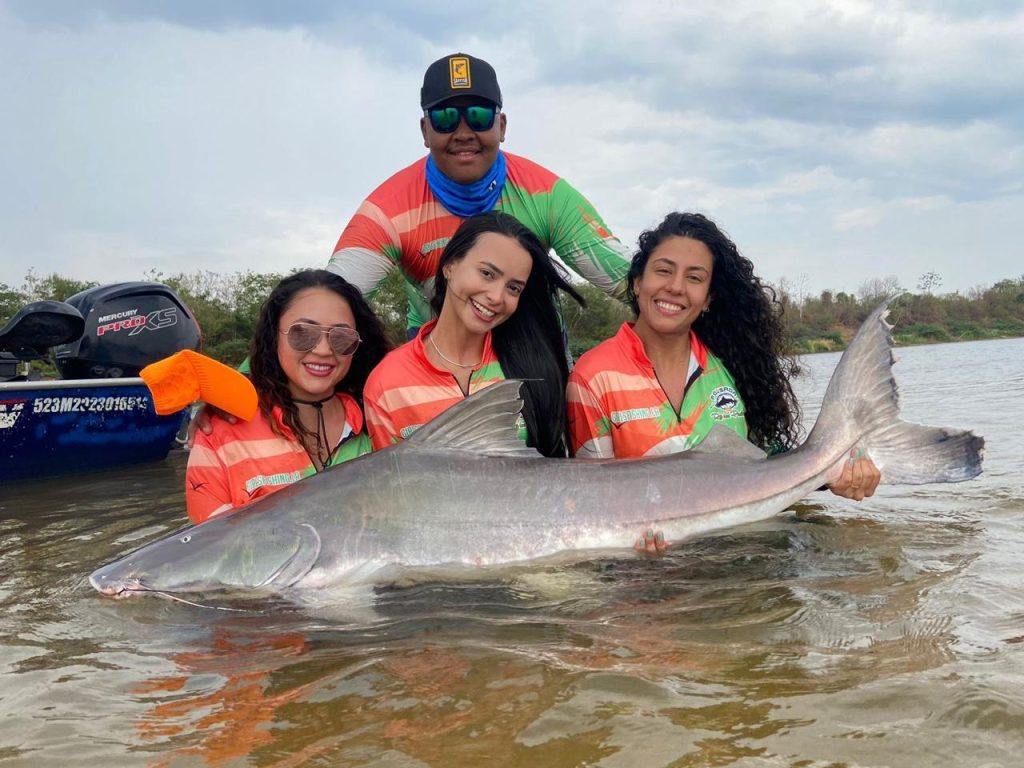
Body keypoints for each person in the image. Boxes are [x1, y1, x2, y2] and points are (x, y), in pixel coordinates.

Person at [566, 212, 881, 506]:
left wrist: (834, 474)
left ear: (708, 299)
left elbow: (770, 461)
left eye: (694, 278)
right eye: (663, 270)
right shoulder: (593, 375)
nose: (675, 287)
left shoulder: (735, 365)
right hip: (646, 559)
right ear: (637, 283)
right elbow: (593, 501)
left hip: (742, 548)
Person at [327, 52, 630, 337]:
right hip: (431, 352)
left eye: (479, 115)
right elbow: (325, 302)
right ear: (424, 130)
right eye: (445, 117)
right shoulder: (388, 209)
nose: (463, 132)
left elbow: (631, 283)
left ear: (501, 126)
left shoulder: (548, 195)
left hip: (530, 346)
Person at [363, 211, 584, 458]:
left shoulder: (534, 367)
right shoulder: (387, 382)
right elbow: (390, 485)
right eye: (487, 273)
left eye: (513, 288)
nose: (496, 297)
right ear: (450, 265)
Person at [185, 270, 391, 523]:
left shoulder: (378, 422)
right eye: (303, 333)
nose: (323, 350)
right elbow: (208, 549)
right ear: (274, 336)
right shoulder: (218, 434)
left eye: (341, 337)